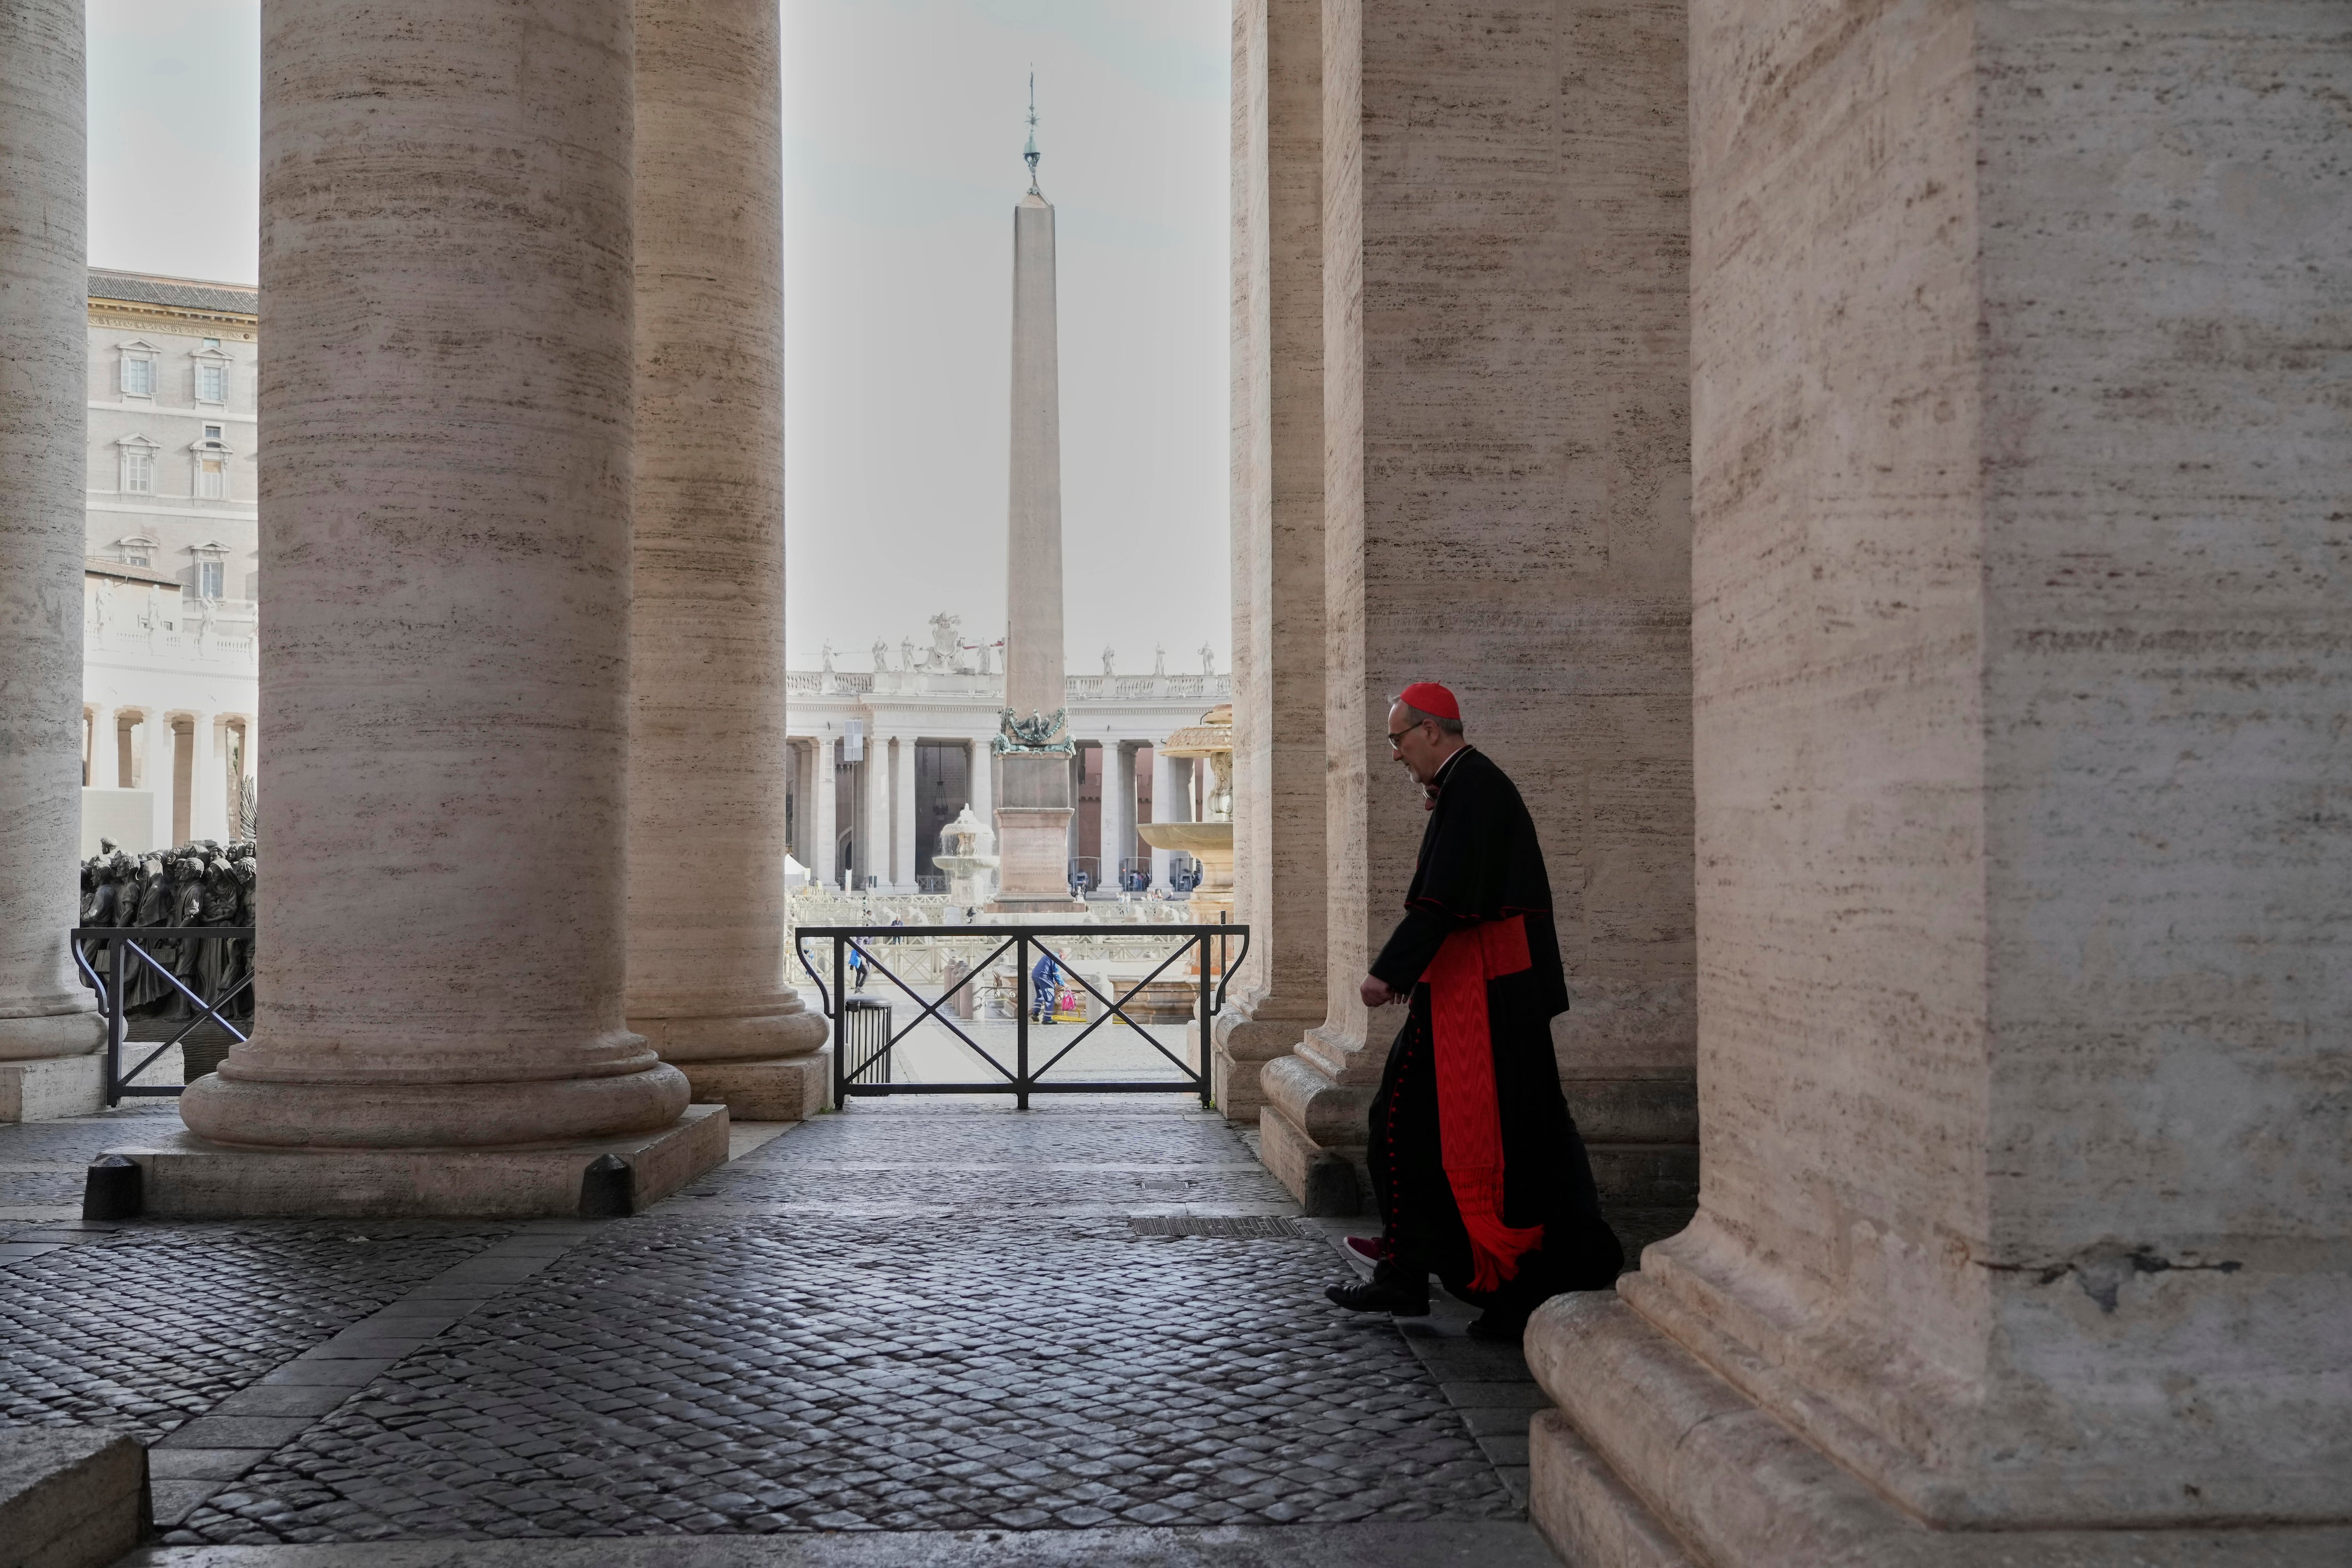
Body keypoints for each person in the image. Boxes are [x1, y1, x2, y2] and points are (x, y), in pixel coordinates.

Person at [1326, 681, 1623, 1342]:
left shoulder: (1475, 788)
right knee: (1479, 1132)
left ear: (1433, 731)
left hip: (1484, 1000)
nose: (1396, 756)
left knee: (1410, 1122)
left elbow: (1441, 899)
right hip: (1483, 991)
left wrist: (1387, 974)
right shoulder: (1471, 786)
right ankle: (1421, 1269)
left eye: (1399, 740)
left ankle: (1464, 1278)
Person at [1030, 952, 1060, 1025]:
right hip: (1044, 977)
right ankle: (1047, 1019)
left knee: (1040, 996)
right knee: (1050, 998)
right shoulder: (1055, 958)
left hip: (1035, 975)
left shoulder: (1047, 956)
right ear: (1062, 954)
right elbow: (1056, 973)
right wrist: (1062, 983)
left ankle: (1035, 1013)